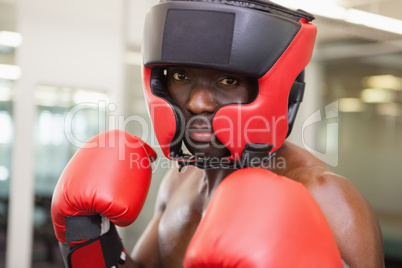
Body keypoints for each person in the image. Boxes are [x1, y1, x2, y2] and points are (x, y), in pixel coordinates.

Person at [51, 0, 385, 267]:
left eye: (227, 81)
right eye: (181, 76)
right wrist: (90, 238)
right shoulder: (179, 182)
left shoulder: (327, 199)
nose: (197, 103)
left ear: (272, 90)